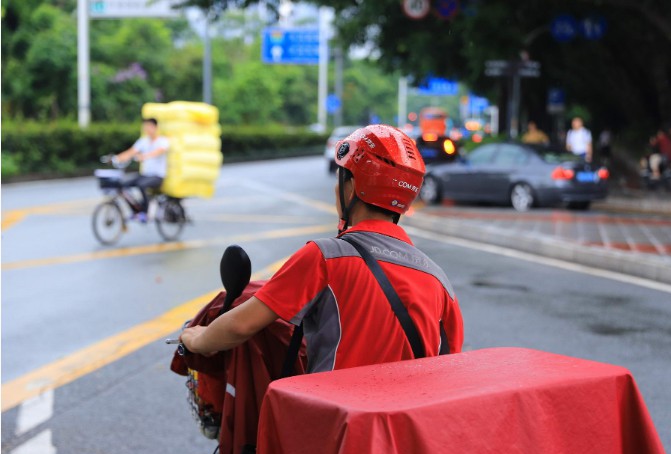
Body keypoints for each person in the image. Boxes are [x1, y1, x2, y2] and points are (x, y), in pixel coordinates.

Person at [180, 124, 464, 373]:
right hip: (403, 430)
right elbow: (448, 363)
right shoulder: (439, 280)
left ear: (351, 189)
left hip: (337, 427)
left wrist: (197, 338)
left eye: (341, 179)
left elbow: (241, 326)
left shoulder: (326, 257)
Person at [115, 118, 169, 220]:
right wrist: (117, 158)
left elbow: (159, 151)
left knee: (141, 185)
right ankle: (136, 209)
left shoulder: (163, 141)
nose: (147, 129)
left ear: (155, 127)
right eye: (145, 126)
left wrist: (145, 156)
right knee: (123, 185)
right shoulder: (143, 141)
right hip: (145, 175)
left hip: (158, 176)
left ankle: (145, 212)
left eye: (149, 126)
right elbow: (131, 152)